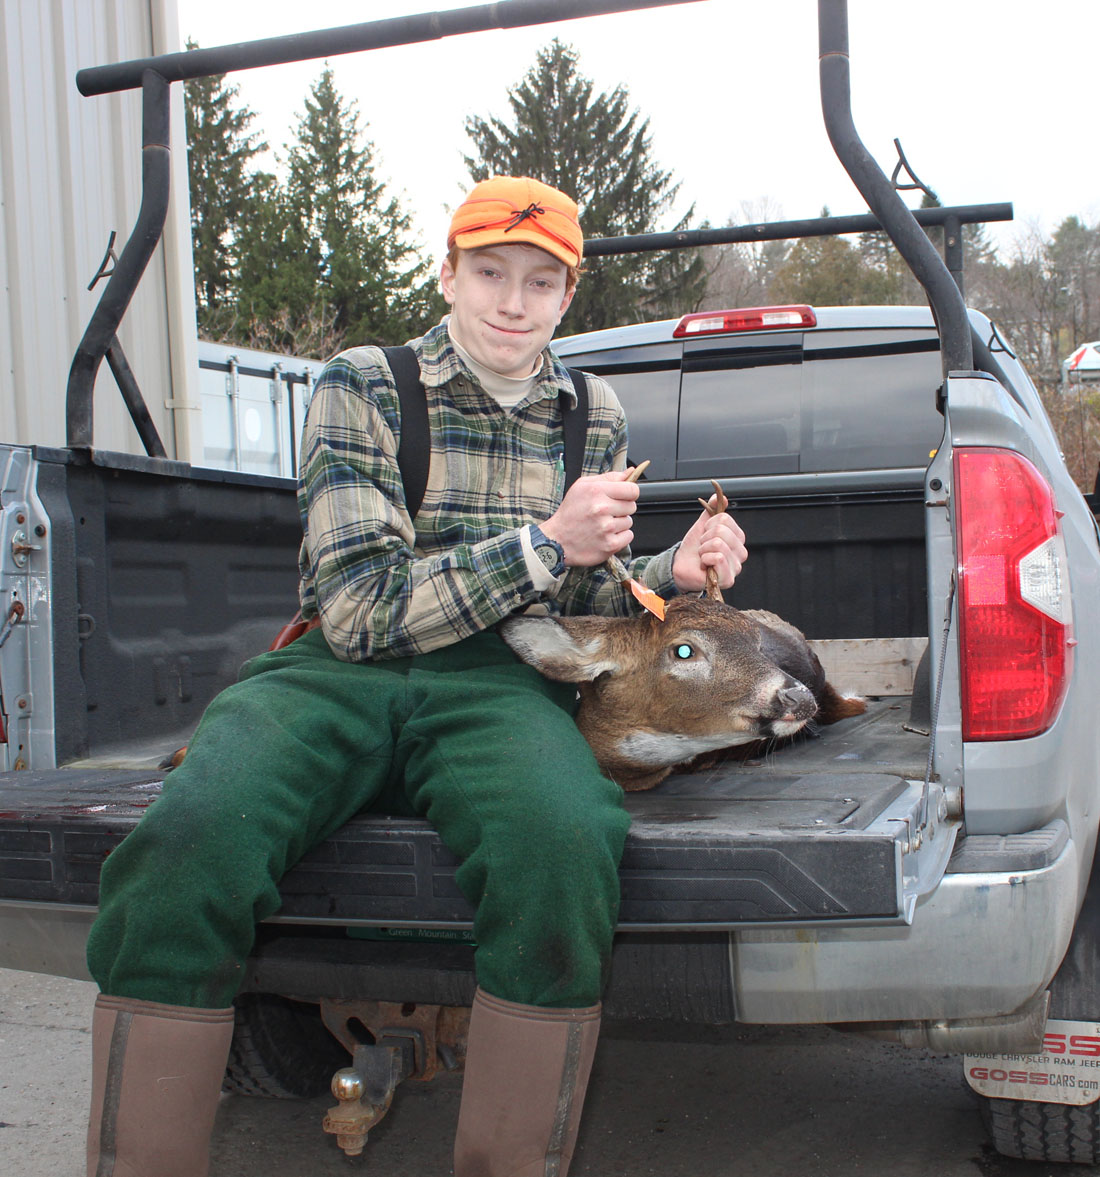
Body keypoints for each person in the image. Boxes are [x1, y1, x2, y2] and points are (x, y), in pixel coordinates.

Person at [83, 175, 747, 1177]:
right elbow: (359, 607)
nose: (512, 302)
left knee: (563, 842)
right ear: (447, 273)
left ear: (567, 295)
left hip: (500, 678)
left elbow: (583, 598)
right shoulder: (364, 384)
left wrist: (669, 572)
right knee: (191, 835)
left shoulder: (592, 413)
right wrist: (543, 543)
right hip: (339, 669)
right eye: (489, 273)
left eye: (539, 281)